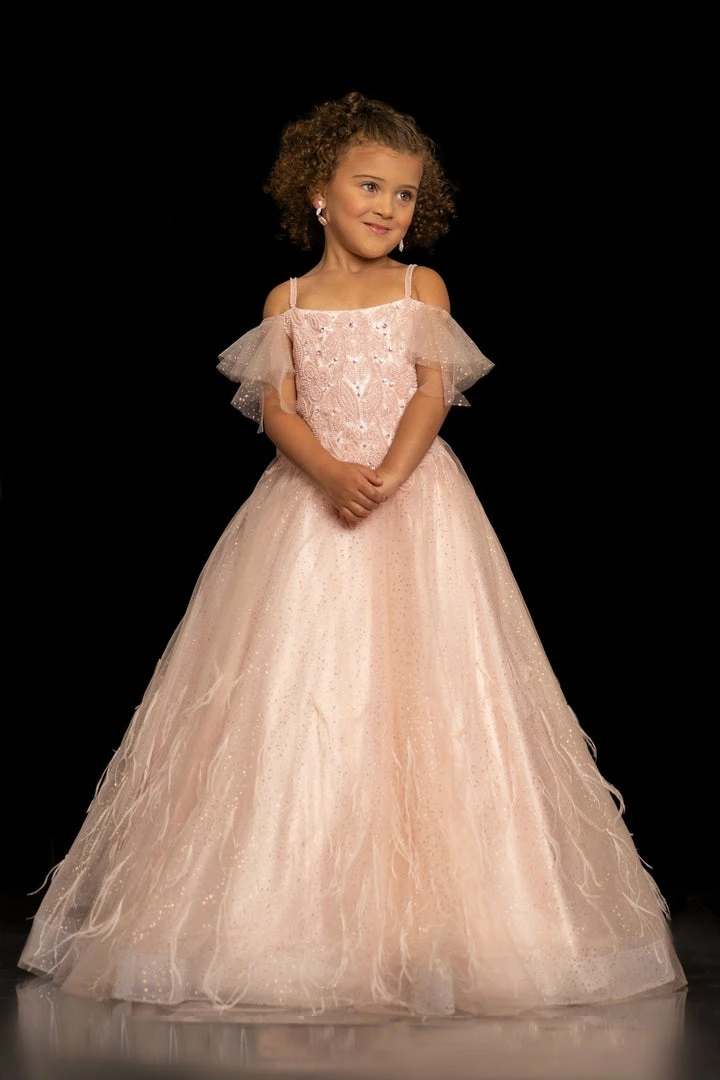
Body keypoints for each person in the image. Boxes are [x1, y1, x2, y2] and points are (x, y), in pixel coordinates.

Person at [18, 91, 686, 1017]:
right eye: (370, 186)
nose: (388, 207)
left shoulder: (421, 289)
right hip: (309, 507)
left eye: (405, 194)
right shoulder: (287, 301)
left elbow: (431, 392)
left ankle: (443, 923)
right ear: (318, 192)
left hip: (416, 509)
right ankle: (289, 925)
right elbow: (279, 408)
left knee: (434, 694)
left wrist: (387, 475)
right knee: (300, 693)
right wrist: (331, 472)